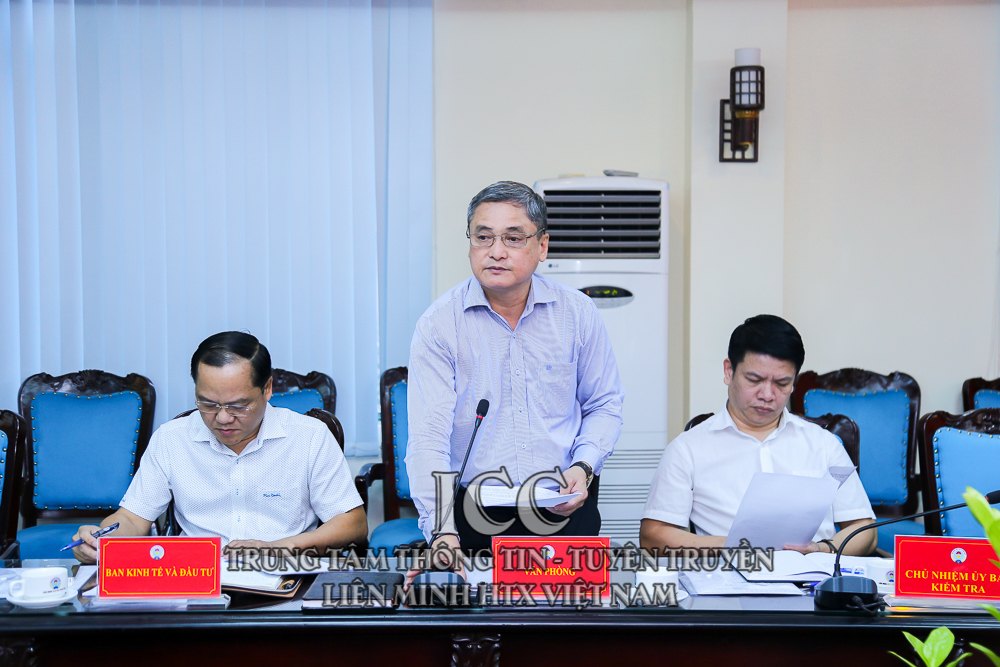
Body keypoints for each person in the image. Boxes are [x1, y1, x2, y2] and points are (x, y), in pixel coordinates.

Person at [405, 181, 625, 564]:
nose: (496, 251)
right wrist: (442, 531)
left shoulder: (577, 314)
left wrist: (584, 465)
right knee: (477, 604)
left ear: (542, 246)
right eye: (483, 237)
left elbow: (604, 404)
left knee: (572, 602)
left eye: (513, 238)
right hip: (475, 515)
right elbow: (428, 440)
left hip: (563, 506)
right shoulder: (438, 325)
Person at [71, 331, 367, 564]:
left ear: (267, 389)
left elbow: (351, 524)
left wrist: (278, 548)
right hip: (194, 575)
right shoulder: (172, 439)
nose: (223, 418)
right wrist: (101, 540)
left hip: (284, 571)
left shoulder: (309, 436)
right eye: (208, 404)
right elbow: (132, 518)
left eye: (238, 405)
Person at [640, 314, 876, 555]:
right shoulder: (688, 449)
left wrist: (822, 549)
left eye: (782, 383)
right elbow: (653, 535)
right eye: (754, 380)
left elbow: (864, 529)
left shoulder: (823, 444)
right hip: (728, 571)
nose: (767, 395)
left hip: (813, 574)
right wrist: (734, 546)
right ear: (729, 371)